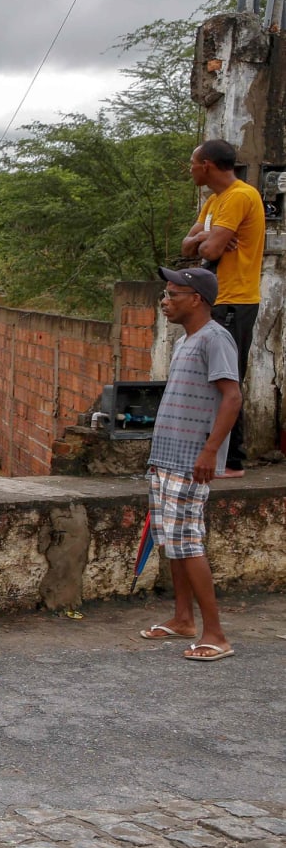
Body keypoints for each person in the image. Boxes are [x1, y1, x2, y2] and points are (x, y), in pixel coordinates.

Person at [138, 268, 241, 662]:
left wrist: (209, 452)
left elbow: (232, 398)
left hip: (189, 460)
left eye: (173, 294)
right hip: (166, 458)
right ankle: (183, 619)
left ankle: (216, 634)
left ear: (196, 298)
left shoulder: (216, 339)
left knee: (189, 543)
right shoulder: (186, 341)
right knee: (174, 543)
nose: (165, 301)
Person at [180, 139, 262, 476]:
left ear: (208, 165)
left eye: (193, 162)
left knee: (226, 378)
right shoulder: (214, 202)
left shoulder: (240, 196)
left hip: (236, 300)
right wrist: (206, 238)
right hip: (219, 298)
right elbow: (190, 248)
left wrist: (207, 241)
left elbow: (211, 252)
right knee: (207, 377)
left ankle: (232, 460)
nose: (190, 168)